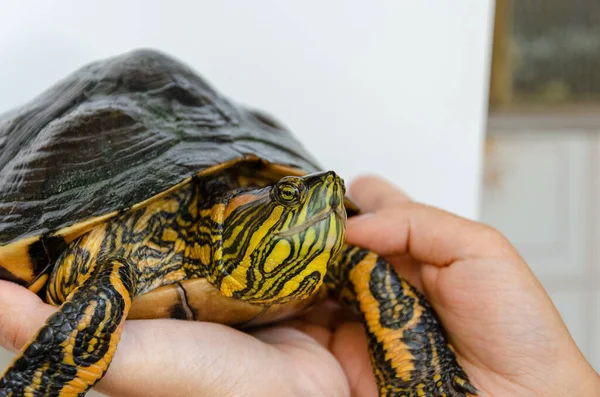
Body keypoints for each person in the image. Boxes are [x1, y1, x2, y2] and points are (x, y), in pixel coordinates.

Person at [0, 176, 598, 397]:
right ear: (236, 214)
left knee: (365, 260)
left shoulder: (338, 253)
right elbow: (101, 281)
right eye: (292, 201)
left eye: (325, 205)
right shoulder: (136, 246)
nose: (321, 207)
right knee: (105, 286)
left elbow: (359, 257)